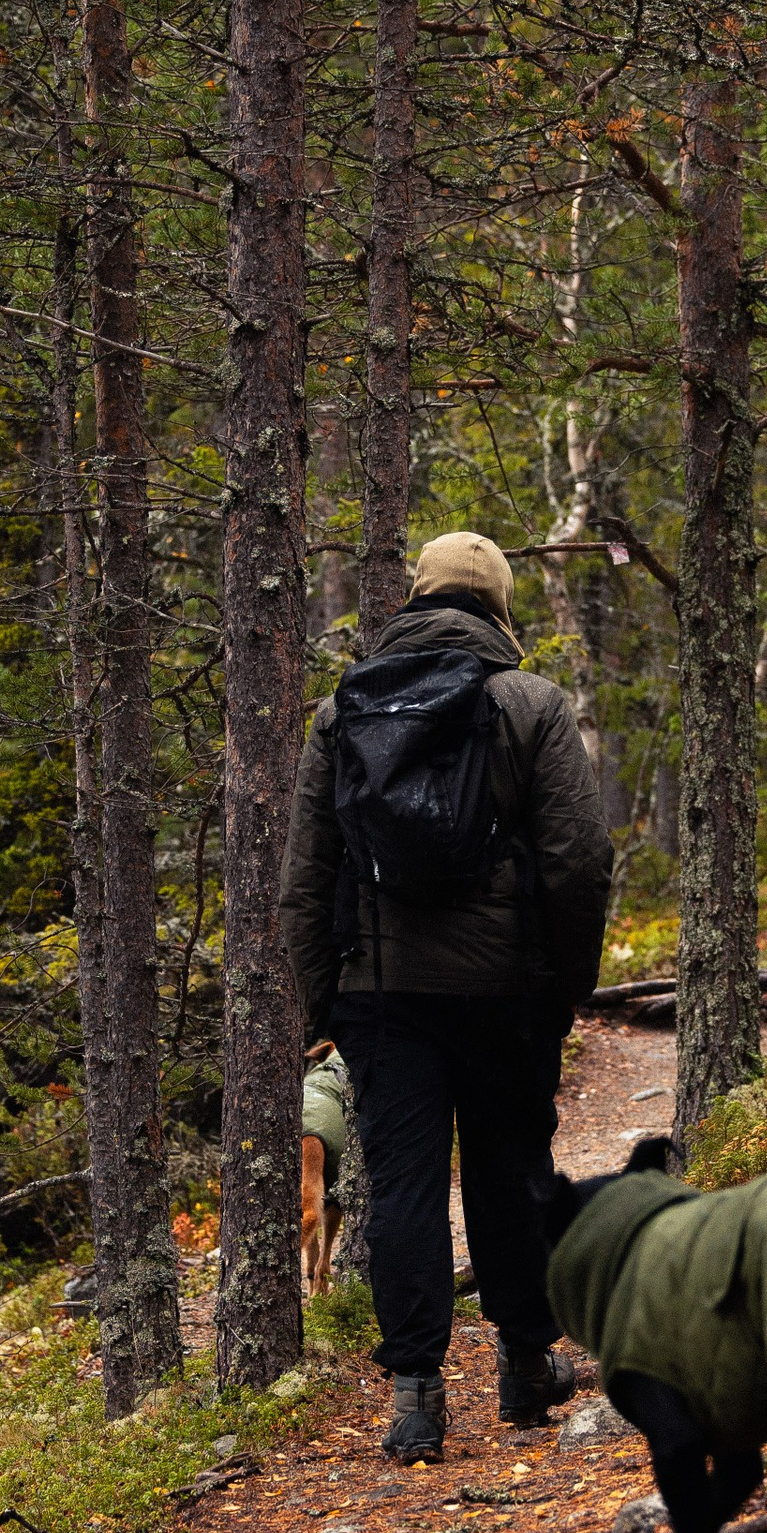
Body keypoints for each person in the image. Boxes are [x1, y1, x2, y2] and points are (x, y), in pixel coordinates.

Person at [283, 529, 613, 1464]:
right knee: (512, 1173)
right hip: (506, 995)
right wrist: (565, 986)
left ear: (417, 598)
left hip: (383, 998)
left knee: (406, 1190)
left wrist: (326, 1006)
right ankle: (523, 1368)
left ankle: (417, 1399)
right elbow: (578, 862)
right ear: (500, 607)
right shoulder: (534, 705)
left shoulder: (341, 713)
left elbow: (304, 882)